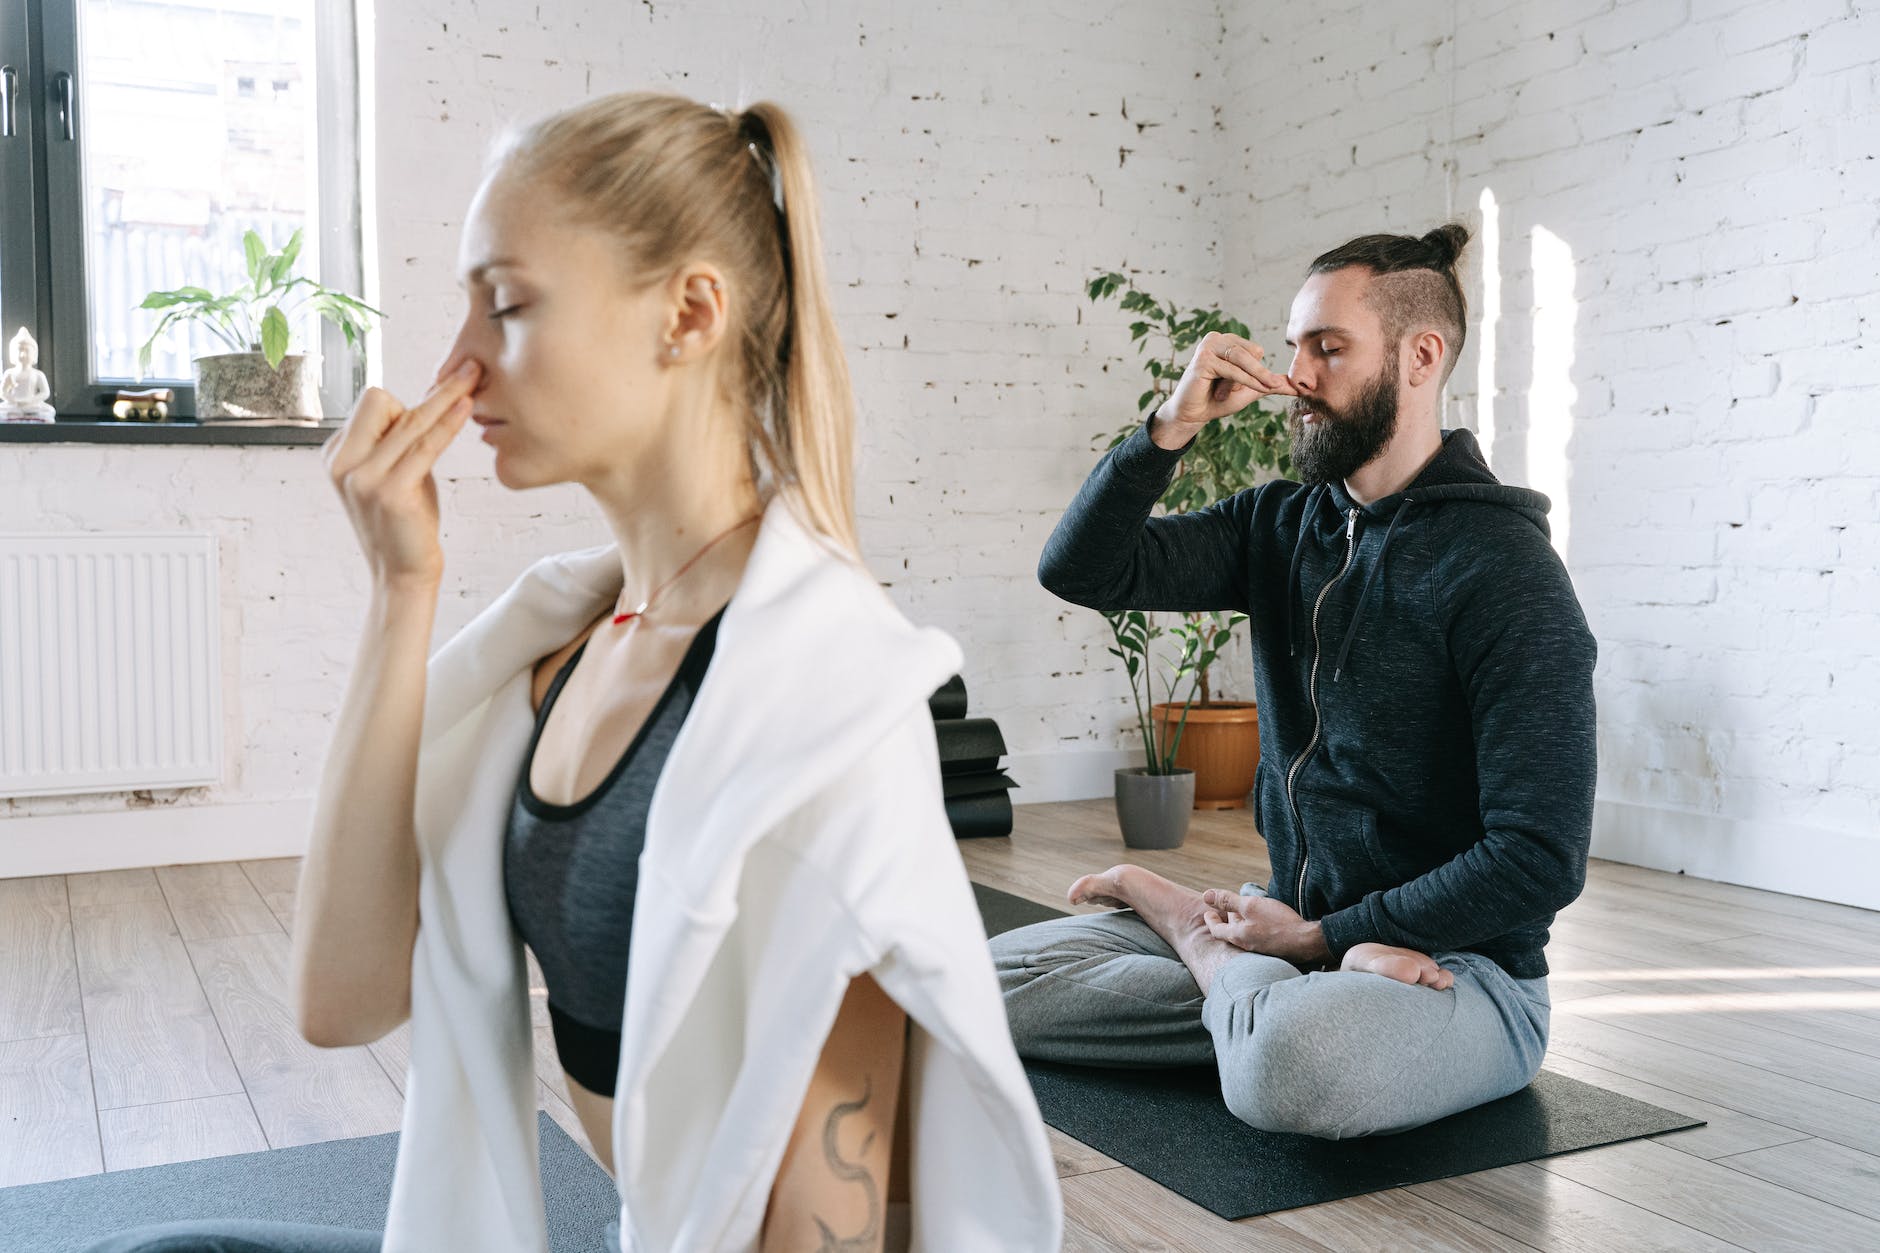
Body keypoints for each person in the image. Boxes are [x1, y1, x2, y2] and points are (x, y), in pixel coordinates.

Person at [86, 93, 1060, 1253]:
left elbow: (826, 1226)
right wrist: (404, 589)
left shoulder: (821, 711)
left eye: (506, 304)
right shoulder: (566, 640)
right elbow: (340, 998)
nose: (456, 362)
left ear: (688, 312)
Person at [990, 225, 1598, 1140]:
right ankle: (1249, 992)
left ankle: (1211, 957)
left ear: (1420, 356)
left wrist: (1322, 938)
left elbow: (1538, 857)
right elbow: (1082, 567)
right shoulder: (1277, 525)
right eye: (1293, 346)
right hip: (1291, 937)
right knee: (980, 985)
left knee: (1292, 1064)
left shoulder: (1506, 571)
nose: (1296, 376)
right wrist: (1173, 425)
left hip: (1461, 976)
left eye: (1329, 347)